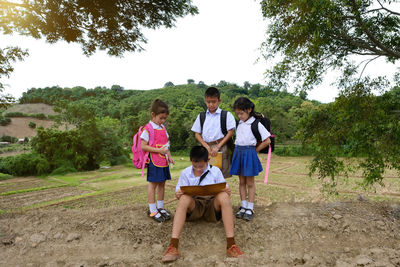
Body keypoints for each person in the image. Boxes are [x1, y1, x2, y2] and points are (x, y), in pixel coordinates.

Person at [161, 146, 246, 263]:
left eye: (201, 166)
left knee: (224, 197)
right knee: (184, 199)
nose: (198, 169)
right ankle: (173, 246)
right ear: (191, 161)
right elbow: (178, 194)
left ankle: (231, 245)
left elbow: (225, 189)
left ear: (208, 161)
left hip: (212, 205)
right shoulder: (185, 173)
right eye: (195, 166)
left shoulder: (215, 171)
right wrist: (179, 194)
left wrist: (226, 191)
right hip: (195, 206)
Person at [230, 97, 271, 221]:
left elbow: (267, 140)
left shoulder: (256, 123)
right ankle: (243, 206)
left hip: (249, 152)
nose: (239, 116)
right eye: (237, 114)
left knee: (250, 183)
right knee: (241, 182)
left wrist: (254, 151)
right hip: (238, 151)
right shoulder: (239, 123)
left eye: (241, 113)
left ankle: (250, 207)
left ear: (249, 110)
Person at [140, 99, 175, 222]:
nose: (163, 121)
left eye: (165, 118)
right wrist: (158, 150)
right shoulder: (147, 129)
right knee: (153, 184)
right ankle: (152, 209)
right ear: (153, 115)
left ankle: (161, 207)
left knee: (162, 183)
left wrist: (169, 156)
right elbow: (143, 146)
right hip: (154, 161)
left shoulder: (163, 128)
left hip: (163, 161)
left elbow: (166, 145)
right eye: (161, 118)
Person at [191, 87, 236, 178]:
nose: (211, 104)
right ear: (205, 101)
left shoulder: (226, 115)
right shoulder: (201, 116)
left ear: (219, 100)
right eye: (208, 102)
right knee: (205, 174)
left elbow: (230, 132)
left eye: (214, 102)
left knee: (220, 176)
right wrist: (206, 146)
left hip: (221, 146)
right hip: (205, 148)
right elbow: (197, 134)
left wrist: (218, 146)